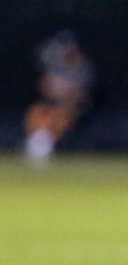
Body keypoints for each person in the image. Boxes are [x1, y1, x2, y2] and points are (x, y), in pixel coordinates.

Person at [23, 29, 96, 166]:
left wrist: (65, 93)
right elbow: (45, 88)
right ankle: (38, 144)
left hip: (75, 108)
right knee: (37, 111)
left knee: (62, 114)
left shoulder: (83, 68)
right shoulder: (54, 65)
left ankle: (42, 147)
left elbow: (81, 95)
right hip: (52, 104)